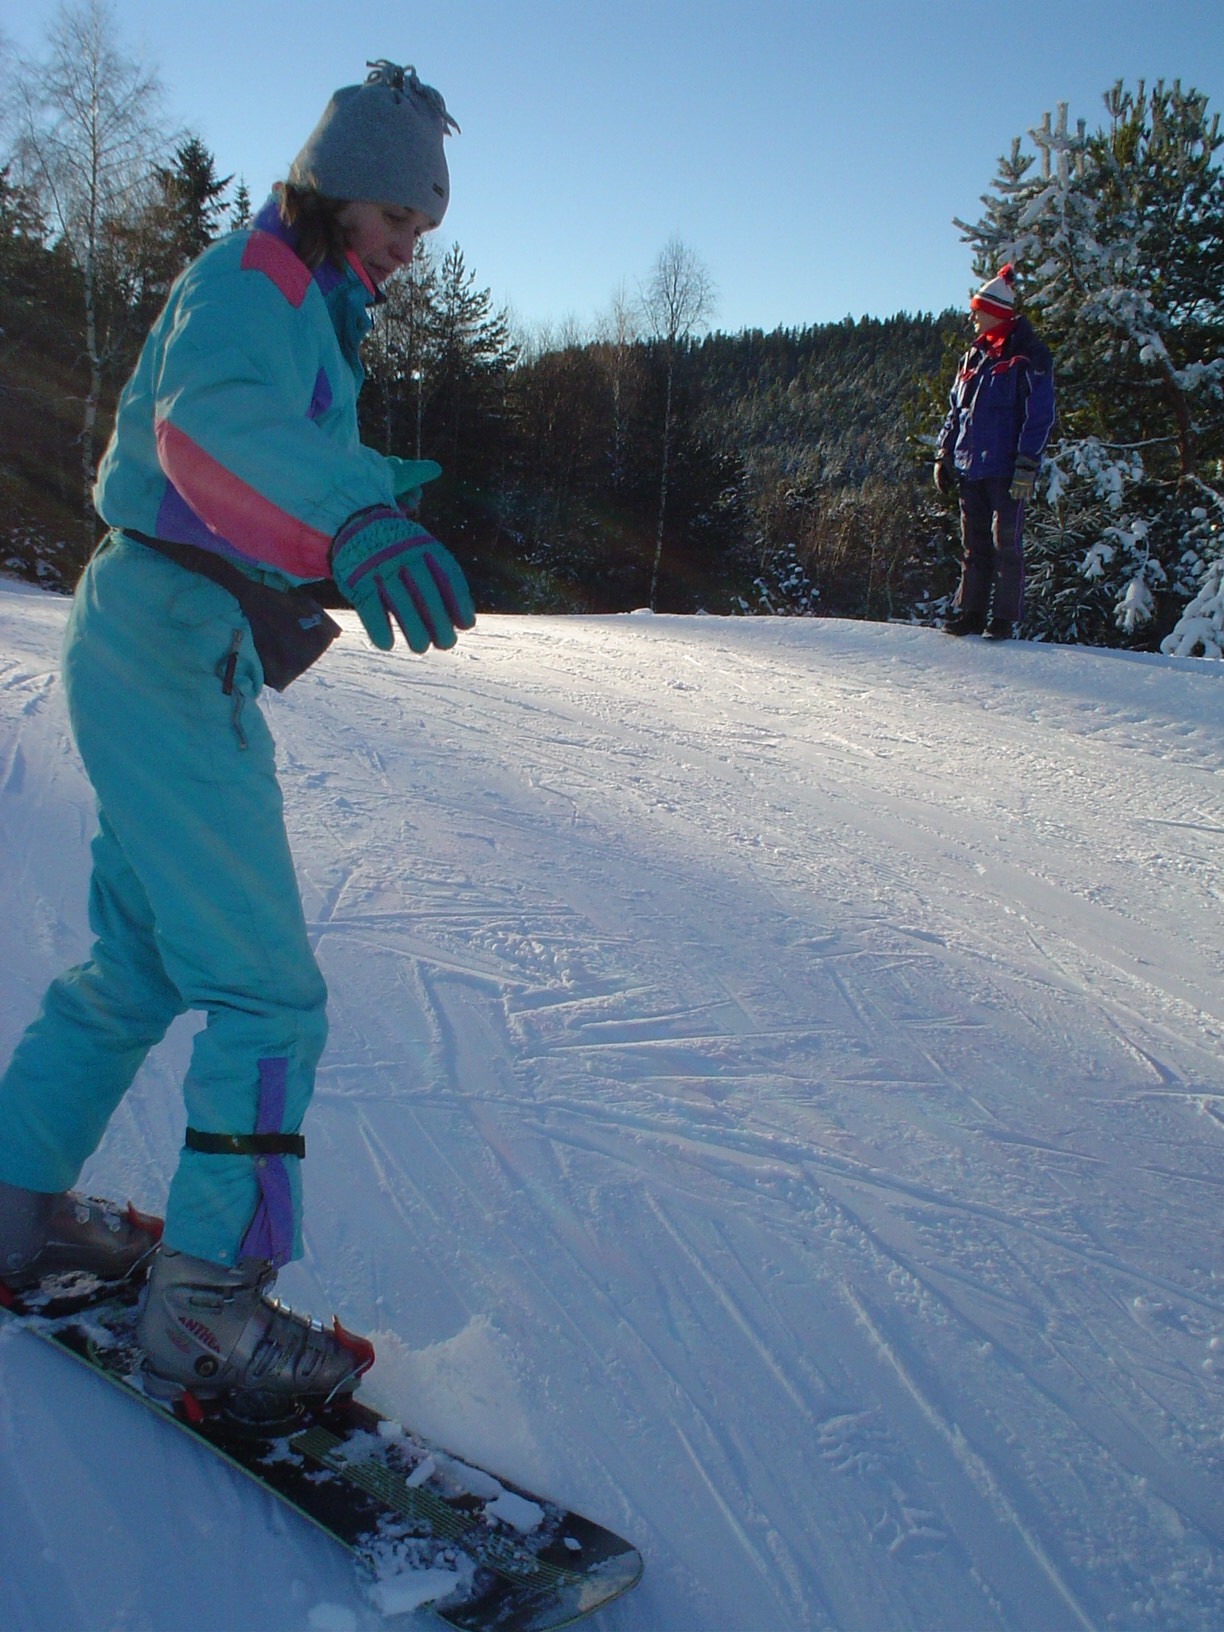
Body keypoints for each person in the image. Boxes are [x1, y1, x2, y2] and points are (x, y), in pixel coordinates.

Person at [0, 60, 475, 1415]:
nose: (408, 249)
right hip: (163, 645)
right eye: (400, 220)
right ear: (343, 192)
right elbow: (205, 427)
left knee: (140, 961)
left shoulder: (298, 296)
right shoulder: (255, 281)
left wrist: (360, 487)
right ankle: (206, 1311)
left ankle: (12, 1208)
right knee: (268, 995)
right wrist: (347, 512)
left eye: (423, 229)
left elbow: (249, 447)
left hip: (157, 635)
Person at [935, 264, 1055, 639]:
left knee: (1007, 545)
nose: (973, 318)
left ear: (995, 312)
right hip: (970, 466)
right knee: (974, 545)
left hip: (1006, 467)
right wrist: (944, 453)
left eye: (978, 311)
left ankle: (1003, 618)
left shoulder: (1028, 356)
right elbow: (956, 410)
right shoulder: (972, 357)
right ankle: (970, 612)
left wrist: (1027, 462)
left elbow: (1039, 414)